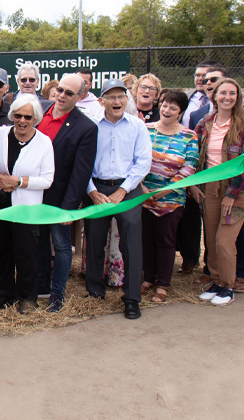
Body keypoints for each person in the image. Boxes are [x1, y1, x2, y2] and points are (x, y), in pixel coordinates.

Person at [85, 79, 152, 320]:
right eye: (111, 97)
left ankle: (132, 298)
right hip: (98, 189)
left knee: (131, 245)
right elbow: (83, 164)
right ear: (101, 101)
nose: (116, 101)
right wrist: (92, 191)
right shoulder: (91, 127)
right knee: (94, 241)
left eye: (120, 97)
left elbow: (143, 162)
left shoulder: (137, 126)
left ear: (127, 99)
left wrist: (123, 190)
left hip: (128, 189)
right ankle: (94, 292)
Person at [35, 74, 98, 312]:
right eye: (60, 90)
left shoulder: (86, 128)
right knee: (39, 242)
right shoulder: (40, 113)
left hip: (61, 199)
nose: (61, 95)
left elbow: (81, 173)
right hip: (35, 194)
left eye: (69, 93)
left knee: (61, 246)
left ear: (80, 96)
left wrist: (68, 209)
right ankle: (41, 286)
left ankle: (57, 294)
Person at [0, 95, 54, 314]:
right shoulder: (0, 134)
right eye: (18, 115)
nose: (22, 121)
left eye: (28, 116)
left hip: (26, 207)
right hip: (0, 201)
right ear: (12, 115)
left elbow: (47, 179)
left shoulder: (44, 142)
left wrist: (19, 181)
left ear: (35, 118)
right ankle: (4, 293)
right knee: (3, 250)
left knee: (26, 252)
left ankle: (27, 297)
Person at [140, 90, 199, 303]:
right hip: (143, 196)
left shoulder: (189, 135)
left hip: (171, 200)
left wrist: (166, 189)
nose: (167, 110)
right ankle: (149, 278)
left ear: (180, 112)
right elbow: (135, 158)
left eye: (173, 108)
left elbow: (189, 167)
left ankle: (163, 284)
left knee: (166, 241)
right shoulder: (145, 129)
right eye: (164, 105)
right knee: (146, 240)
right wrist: (141, 187)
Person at [191, 79, 244, 306]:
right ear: (215, 96)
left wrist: (232, 193)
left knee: (224, 240)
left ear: (237, 97)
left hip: (236, 190)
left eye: (232, 93)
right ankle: (216, 280)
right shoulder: (205, 123)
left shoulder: (241, 125)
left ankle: (228, 286)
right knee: (211, 239)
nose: (227, 97)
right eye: (223, 93)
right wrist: (193, 184)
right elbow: (195, 155)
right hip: (209, 189)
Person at [188, 66, 229, 131]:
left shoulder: (240, 112)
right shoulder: (195, 116)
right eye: (205, 81)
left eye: (214, 79)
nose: (208, 83)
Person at [182, 60, 220, 127]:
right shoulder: (185, 97)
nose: (200, 79)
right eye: (197, 75)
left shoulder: (224, 100)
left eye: (204, 76)